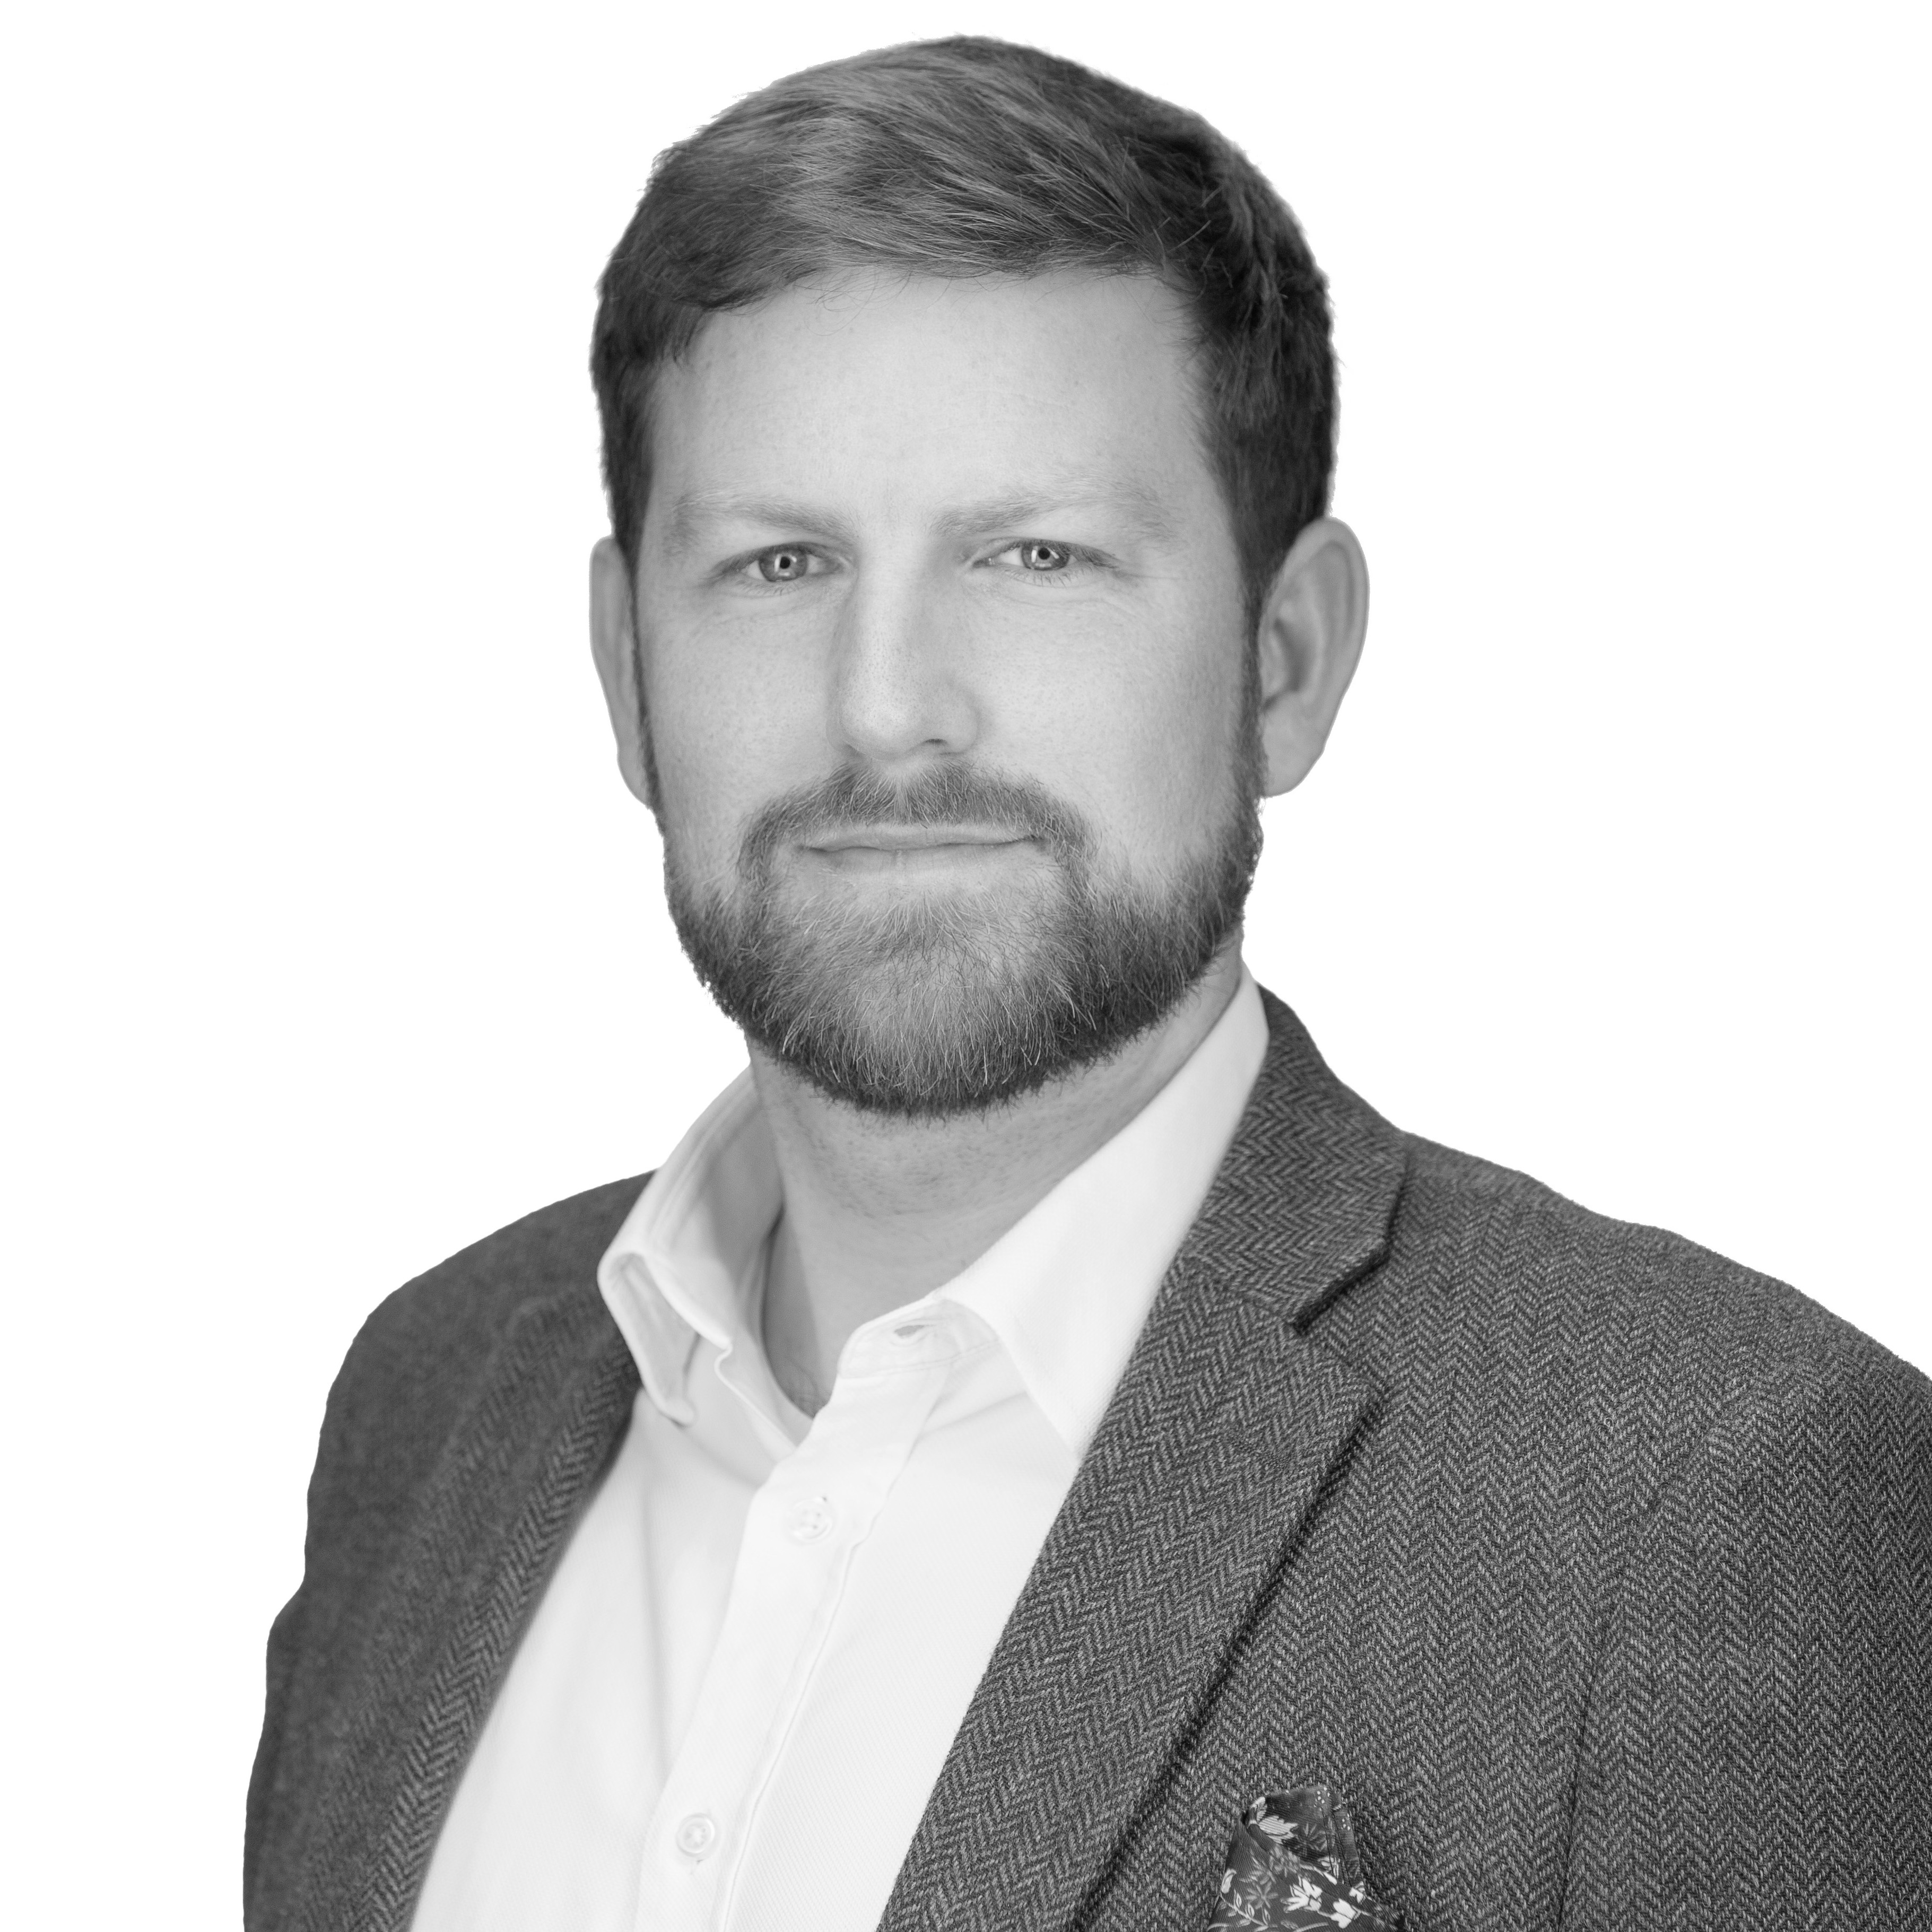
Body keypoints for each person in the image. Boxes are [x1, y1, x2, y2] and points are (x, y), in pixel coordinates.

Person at [243, 36, 1932, 1932]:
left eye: (1036, 557)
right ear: (627, 677)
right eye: (779, 562)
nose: (888, 709)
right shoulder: (429, 1402)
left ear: (1288, 660)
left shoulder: (1710, 1509)